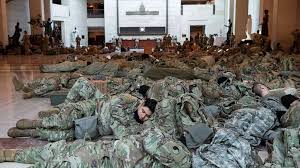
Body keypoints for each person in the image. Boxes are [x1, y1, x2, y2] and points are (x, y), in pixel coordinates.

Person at [8, 77, 158, 141]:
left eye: (147, 117)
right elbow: (113, 110)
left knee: (60, 136)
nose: (143, 116)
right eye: (143, 111)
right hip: (93, 109)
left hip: (93, 128)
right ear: (141, 103)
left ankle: (29, 132)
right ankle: (35, 123)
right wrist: (120, 128)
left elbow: (127, 135)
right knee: (63, 122)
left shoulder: (141, 123)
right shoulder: (128, 99)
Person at [1, 128, 192, 168]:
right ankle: (9, 155)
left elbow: (149, 137)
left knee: (57, 162)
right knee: (53, 151)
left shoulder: (182, 158)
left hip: (102, 160)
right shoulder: (167, 145)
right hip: (100, 149)